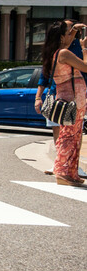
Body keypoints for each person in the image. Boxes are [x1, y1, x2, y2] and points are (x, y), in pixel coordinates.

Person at [35, 21, 87, 177]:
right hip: (70, 98)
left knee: (70, 134)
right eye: (69, 31)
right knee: (69, 134)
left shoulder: (55, 52)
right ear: (62, 36)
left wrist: (74, 34)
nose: (72, 33)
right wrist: (85, 48)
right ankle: (64, 169)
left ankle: (68, 168)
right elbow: (86, 66)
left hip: (66, 96)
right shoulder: (63, 53)